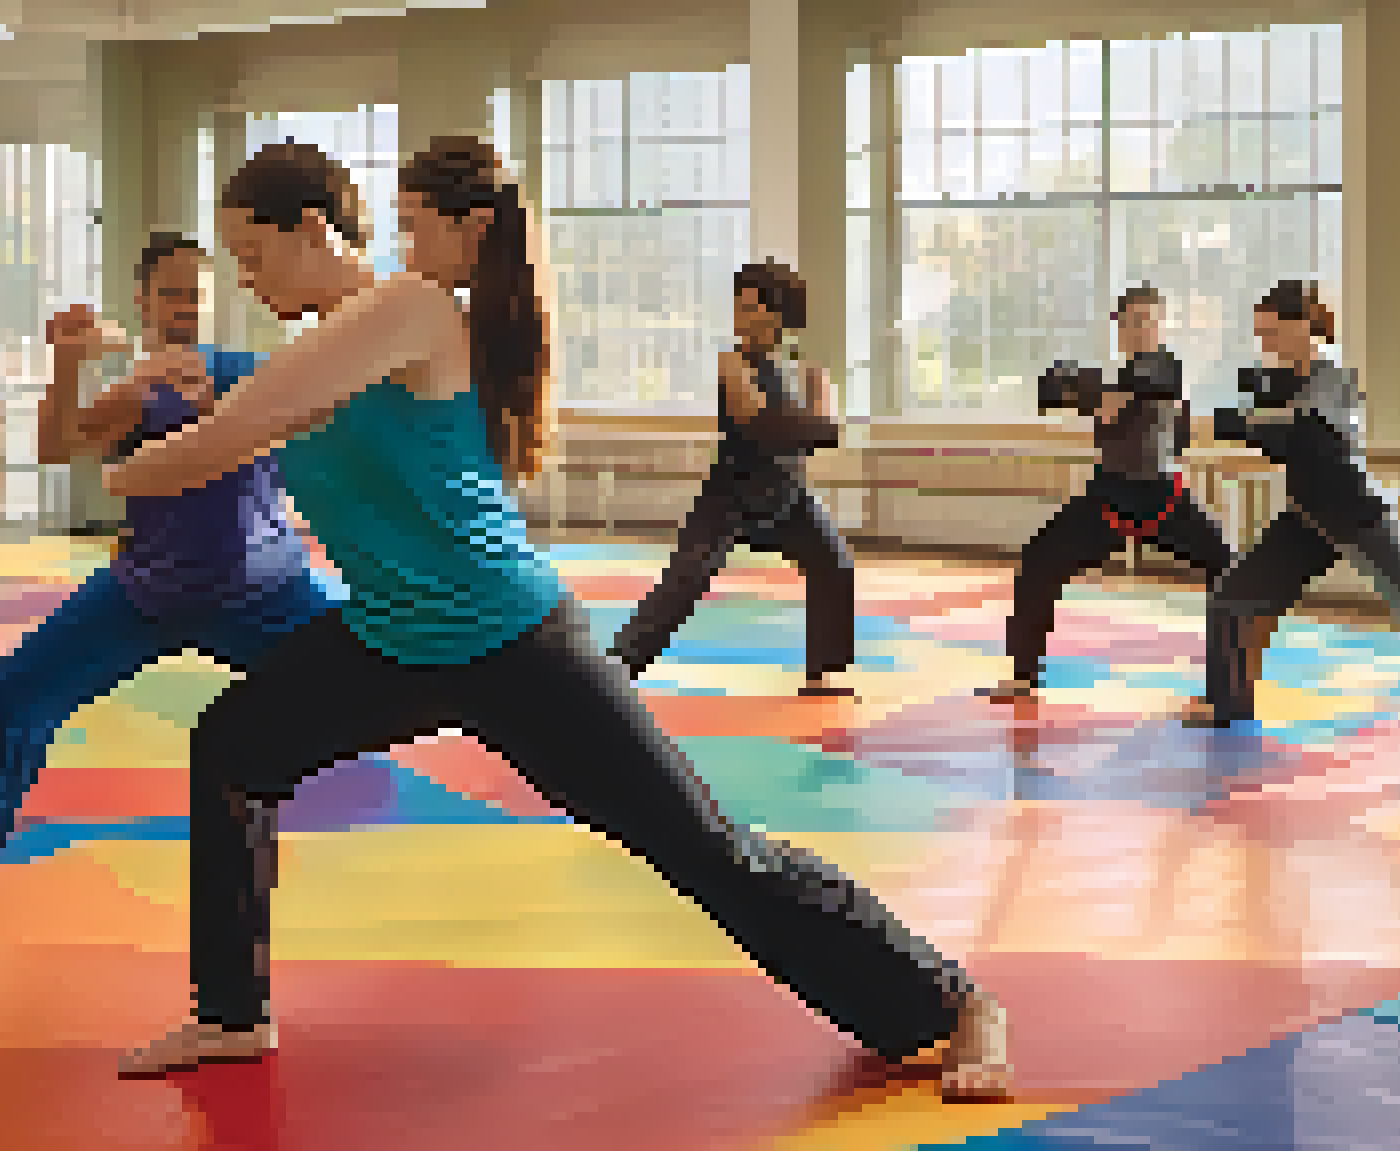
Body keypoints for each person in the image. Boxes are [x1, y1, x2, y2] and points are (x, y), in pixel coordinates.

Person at [104, 137, 1014, 1101]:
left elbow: (233, 433)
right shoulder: (332, 343)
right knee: (233, 747)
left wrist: (112, 465)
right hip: (392, 636)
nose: (242, 278)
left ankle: (953, 1004)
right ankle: (231, 1013)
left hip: (510, 642)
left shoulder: (408, 309)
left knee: (704, 850)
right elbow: (256, 393)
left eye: (252, 255)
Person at [0, 233, 344, 942]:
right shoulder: (136, 392)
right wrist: (67, 361)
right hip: (149, 592)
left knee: (400, 660)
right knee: (3, 699)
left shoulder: (257, 370)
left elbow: (334, 401)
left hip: (266, 591)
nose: (185, 305)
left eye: (195, 291)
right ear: (145, 300)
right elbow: (58, 445)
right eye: (171, 293)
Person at [1186, 280, 1400, 728]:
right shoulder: (1282, 380)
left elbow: (1302, 430)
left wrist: (1232, 423)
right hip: (1307, 519)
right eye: (1259, 333)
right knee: (1231, 597)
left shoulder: (1331, 374)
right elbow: (1280, 440)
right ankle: (1227, 703)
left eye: (1270, 331)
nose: (1264, 342)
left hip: (1357, 515)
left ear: (1302, 327)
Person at [607, 260, 858, 697]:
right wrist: (801, 423)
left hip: (789, 495)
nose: (740, 319)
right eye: (738, 308)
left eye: (749, 308)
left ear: (777, 315)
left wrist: (794, 423)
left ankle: (825, 672)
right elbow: (756, 421)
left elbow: (826, 430)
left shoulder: (810, 370)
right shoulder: (732, 362)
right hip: (730, 495)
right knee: (685, 579)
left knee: (834, 564)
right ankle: (612, 674)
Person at [986, 286, 1234, 704]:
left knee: (1228, 568)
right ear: (1120, 328)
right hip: (1109, 496)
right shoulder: (1112, 382)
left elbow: (1154, 391)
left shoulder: (1166, 366)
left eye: (1153, 321)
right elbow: (1054, 391)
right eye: (1137, 322)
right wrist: (1089, 395)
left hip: (1163, 497)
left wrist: (1094, 394)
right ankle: (1022, 676)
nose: (1146, 330)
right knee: (1037, 561)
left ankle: (1226, 688)